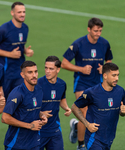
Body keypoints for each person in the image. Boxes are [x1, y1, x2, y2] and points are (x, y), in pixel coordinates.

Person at [61, 17, 113, 150]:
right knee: (85, 112)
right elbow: (64, 63)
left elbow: (109, 61)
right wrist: (81, 69)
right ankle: (81, 145)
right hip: (82, 83)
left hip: (98, 84)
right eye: (95, 31)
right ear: (88, 29)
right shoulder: (78, 44)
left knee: (95, 113)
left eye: (100, 31)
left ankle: (76, 126)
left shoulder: (105, 43)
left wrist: (104, 69)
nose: (98, 34)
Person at [71, 63, 125, 150]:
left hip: (109, 138)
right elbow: (74, 107)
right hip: (93, 138)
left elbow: (122, 112)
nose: (117, 78)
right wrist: (87, 124)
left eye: (117, 75)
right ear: (105, 76)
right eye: (114, 75)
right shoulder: (92, 92)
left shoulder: (120, 91)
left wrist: (122, 112)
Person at [2, 60, 48, 150]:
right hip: (16, 144)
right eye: (30, 72)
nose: (34, 75)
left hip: (34, 143)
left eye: (35, 71)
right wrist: (30, 126)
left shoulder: (39, 90)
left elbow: (31, 108)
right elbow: (5, 118)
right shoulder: (17, 93)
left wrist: (42, 115)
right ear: (23, 75)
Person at [0, 2, 34, 99]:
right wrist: (10, 54)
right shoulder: (3, 30)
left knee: (19, 101)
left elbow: (20, 45)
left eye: (24, 12)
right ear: (12, 13)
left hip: (20, 73)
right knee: (2, 104)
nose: (22, 14)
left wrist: (26, 51)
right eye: (19, 12)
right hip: (6, 74)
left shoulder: (25, 28)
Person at [37, 56, 71, 150]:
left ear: (58, 70)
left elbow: (61, 98)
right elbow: (28, 105)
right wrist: (40, 113)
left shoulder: (62, 84)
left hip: (54, 129)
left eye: (51, 69)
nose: (47, 71)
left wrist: (66, 108)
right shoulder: (37, 85)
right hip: (38, 130)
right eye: (46, 68)